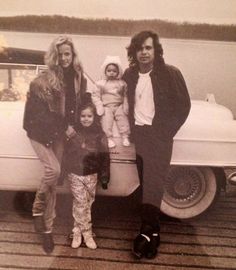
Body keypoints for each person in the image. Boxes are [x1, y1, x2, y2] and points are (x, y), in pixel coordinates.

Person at [122, 30, 191, 259]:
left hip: (159, 137)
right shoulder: (129, 75)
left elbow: (183, 106)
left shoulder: (170, 73)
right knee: (145, 183)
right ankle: (154, 232)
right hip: (139, 137)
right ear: (134, 51)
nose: (144, 52)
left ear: (156, 50)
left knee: (154, 183)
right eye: (140, 48)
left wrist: (166, 132)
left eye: (148, 48)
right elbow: (118, 100)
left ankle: (145, 233)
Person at [23, 35, 89, 254]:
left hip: (60, 135)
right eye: (60, 55)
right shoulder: (44, 80)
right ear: (54, 56)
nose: (64, 58)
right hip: (41, 133)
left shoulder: (79, 76)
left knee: (52, 182)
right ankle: (37, 210)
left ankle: (47, 230)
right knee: (54, 170)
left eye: (67, 54)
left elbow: (80, 104)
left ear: (73, 54)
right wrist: (65, 127)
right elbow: (41, 115)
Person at [64, 102, 110, 249]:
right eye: (83, 116)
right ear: (78, 117)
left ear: (94, 117)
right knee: (80, 202)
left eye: (89, 116)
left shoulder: (99, 134)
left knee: (88, 203)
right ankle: (85, 233)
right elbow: (65, 154)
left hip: (92, 174)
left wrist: (104, 176)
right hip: (75, 173)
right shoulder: (73, 133)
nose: (86, 119)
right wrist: (62, 172)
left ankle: (78, 229)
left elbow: (105, 157)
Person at [92, 55, 130, 148]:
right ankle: (109, 138)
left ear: (118, 72)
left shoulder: (121, 83)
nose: (111, 73)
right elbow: (96, 95)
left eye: (114, 71)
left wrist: (125, 105)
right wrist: (99, 105)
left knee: (123, 119)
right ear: (105, 71)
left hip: (118, 105)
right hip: (107, 106)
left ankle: (125, 136)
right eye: (109, 71)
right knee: (106, 121)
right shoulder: (101, 83)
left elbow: (125, 95)